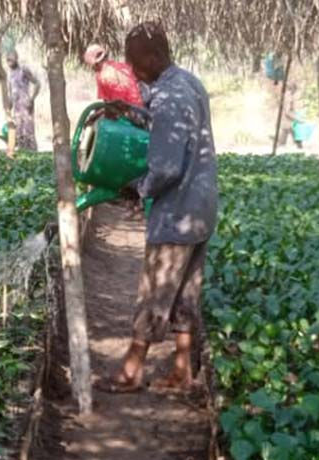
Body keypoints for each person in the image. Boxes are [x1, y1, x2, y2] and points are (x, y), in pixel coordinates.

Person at [98, 21, 217, 395]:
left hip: (176, 211)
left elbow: (166, 167)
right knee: (185, 292)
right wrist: (133, 113)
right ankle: (182, 371)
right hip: (201, 208)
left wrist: (137, 188)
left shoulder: (169, 98)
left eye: (135, 62)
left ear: (152, 57)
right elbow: (167, 125)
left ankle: (132, 370)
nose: (132, 70)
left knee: (155, 289)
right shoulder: (187, 83)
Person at [6, 50, 40, 153]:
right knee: (18, 131)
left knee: (28, 130)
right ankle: (22, 152)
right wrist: (9, 107)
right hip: (16, 106)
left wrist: (32, 99)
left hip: (25, 104)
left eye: (11, 59)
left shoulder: (23, 70)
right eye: (7, 60)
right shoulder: (9, 74)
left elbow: (37, 83)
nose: (9, 62)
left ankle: (32, 153)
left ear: (16, 58)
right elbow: (10, 92)